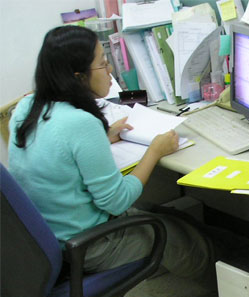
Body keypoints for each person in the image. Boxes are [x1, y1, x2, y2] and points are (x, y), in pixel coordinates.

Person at [8, 25, 218, 280]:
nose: (110, 70)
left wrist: (103, 137)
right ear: (78, 77)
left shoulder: (27, 107)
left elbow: (56, 149)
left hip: (47, 238)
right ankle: (226, 279)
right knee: (185, 242)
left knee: (169, 217)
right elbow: (118, 201)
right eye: (103, 64)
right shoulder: (80, 123)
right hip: (87, 246)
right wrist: (154, 151)